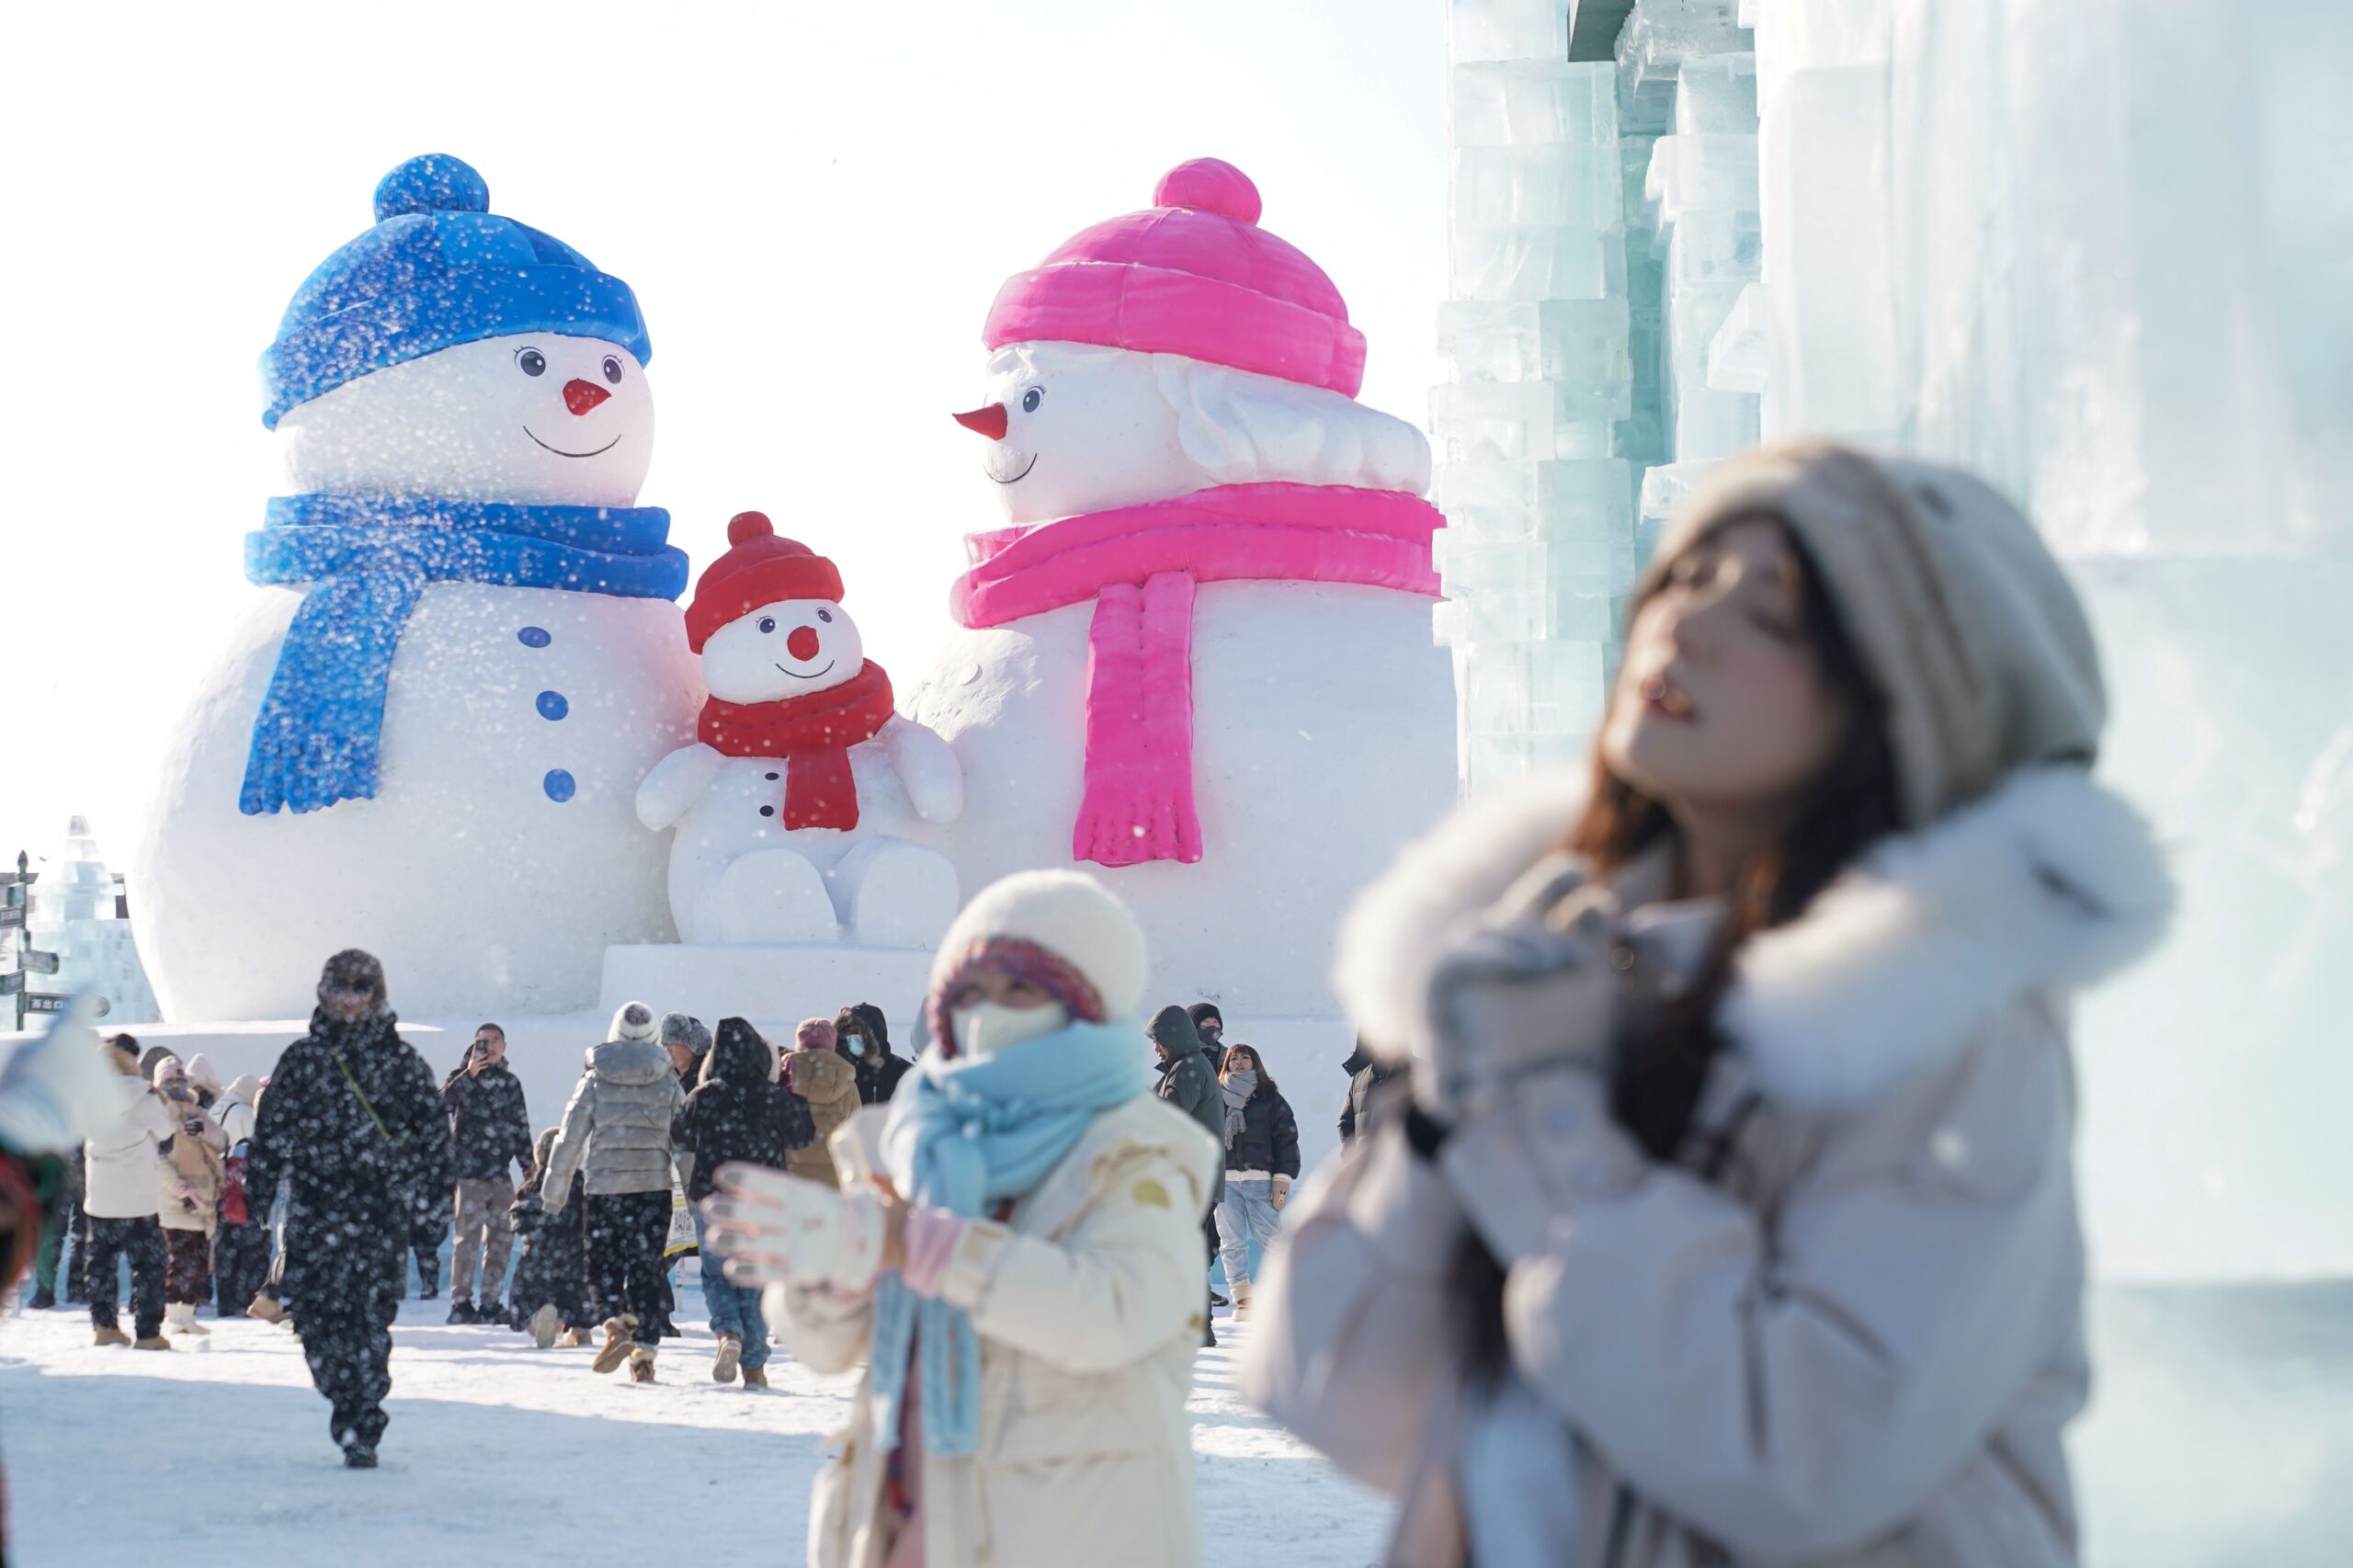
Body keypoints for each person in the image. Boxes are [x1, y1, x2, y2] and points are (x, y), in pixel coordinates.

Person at [1242, 443, 2177, 1566]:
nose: (1685, 629)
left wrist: (1537, 1115)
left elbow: (1797, 1455)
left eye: (1773, 615)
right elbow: (1331, 1384)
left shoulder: (1940, 1031)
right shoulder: (1560, 974)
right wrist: (1449, 1107)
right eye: (1686, 577)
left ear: (1900, 702)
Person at [709, 869, 1222, 1568]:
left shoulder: (1133, 1149)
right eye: (968, 991)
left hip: (1069, 1523)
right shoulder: (911, 1140)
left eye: (1020, 988)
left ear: (1086, 1002)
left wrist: (925, 1245)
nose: (988, 1011)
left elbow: (1117, 1312)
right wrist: (831, 1270)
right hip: (912, 1509)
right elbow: (826, 1346)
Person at [246, 949, 454, 1468]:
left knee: (366, 1322)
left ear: (376, 994)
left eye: (360, 987)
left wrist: (432, 1207)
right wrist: (258, 1192)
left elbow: (434, 1141)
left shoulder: (401, 1063)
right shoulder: (303, 1059)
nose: (348, 997)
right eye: (339, 986)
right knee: (315, 1320)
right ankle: (346, 1398)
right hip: (316, 1213)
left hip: (378, 1213)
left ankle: (363, 1419)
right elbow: (270, 1133)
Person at [541, 1001, 682, 1383]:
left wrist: (553, 1194)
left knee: (601, 1264)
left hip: (605, 1189)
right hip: (653, 1189)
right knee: (647, 1270)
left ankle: (615, 1323)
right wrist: (697, 1192)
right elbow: (685, 1143)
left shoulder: (594, 1079)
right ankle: (645, 1353)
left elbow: (569, 1138)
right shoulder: (669, 1081)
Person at [673, 1017, 809, 1386]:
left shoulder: (705, 1095)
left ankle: (728, 1333)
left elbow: (680, 1135)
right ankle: (754, 1366)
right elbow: (803, 1135)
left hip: (713, 1196)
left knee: (717, 1276)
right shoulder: (773, 1096)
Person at [81, 1033, 175, 1349]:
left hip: (101, 1198)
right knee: (149, 1266)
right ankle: (148, 1332)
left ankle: (105, 1327)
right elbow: (166, 1135)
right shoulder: (145, 1097)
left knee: (100, 1265)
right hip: (139, 1199)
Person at [440, 1022, 533, 1324]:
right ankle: (461, 1301)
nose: (490, 1047)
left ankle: (491, 1300)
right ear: (474, 1045)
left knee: (502, 1239)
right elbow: (441, 1104)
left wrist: (528, 1166)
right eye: (484, 1041)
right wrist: (469, 1076)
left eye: (496, 1041)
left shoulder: (510, 1083)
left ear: (504, 1047)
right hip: (469, 1174)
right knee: (466, 1239)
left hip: (499, 1174)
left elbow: (521, 1127)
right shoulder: (461, 1077)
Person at [1151, 1002, 1225, 1343]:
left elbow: (1169, 1116)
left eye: (1159, 1039)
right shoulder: (1186, 1067)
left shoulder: (1190, 1069)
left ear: (1175, 1035)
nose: (1155, 1046)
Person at [1211, 1044, 1298, 1320]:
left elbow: (1286, 1137)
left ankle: (1285, 1295)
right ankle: (1244, 1301)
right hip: (1225, 1180)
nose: (1238, 1062)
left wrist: (1283, 1178)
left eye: (1244, 1057)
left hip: (1260, 1179)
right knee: (1231, 1241)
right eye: (1233, 1058)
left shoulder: (1269, 1097)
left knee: (1272, 1240)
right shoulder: (1216, 1096)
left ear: (1255, 1062)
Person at [152, 1057, 227, 1335]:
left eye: (180, 1079)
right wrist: (179, 1188)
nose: (176, 1084)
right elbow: (155, 1159)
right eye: (170, 1080)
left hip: (203, 1200)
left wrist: (205, 1131)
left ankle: (186, 1314)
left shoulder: (197, 1112)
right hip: (173, 1199)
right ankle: (174, 1316)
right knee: (178, 1260)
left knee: (196, 1263)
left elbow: (222, 1141)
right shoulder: (157, 1114)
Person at [508, 1127, 591, 1348]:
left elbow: (518, 1216)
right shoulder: (581, 1184)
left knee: (527, 1304)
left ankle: (539, 1320)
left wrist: (535, 1232)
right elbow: (592, 1218)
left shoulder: (532, 1184)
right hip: (573, 1261)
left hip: (536, 1260)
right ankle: (579, 1329)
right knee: (578, 1301)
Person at [782, 1017, 859, 1187]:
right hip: (833, 1182)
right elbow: (856, 1136)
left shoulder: (782, 1079)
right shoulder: (847, 1084)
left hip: (788, 1180)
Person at [837, 1003, 912, 1106]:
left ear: (875, 1034)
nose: (852, 1037)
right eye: (848, 1032)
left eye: (858, 1032)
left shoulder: (903, 1073)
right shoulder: (838, 1070)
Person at [1334, 1039, 1401, 1148]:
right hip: (1369, 1163)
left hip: (1401, 1163)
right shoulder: (1359, 1076)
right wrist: (1351, 1154)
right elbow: (1346, 1122)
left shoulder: (1417, 1073)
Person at [1187, 1003, 1227, 1071]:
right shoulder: (1185, 1053)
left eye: (1215, 1022)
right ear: (1193, 1027)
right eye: (1206, 1022)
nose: (1212, 1026)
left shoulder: (1227, 1054)